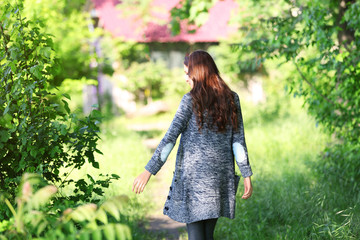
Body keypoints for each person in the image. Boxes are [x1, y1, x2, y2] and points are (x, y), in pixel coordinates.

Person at [132, 50, 253, 240]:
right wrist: (246, 173)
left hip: (194, 180)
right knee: (207, 236)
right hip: (220, 179)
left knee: (196, 236)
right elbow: (238, 141)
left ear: (197, 72)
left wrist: (148, 171)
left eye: (187, 73)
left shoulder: (190, 100)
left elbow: (170, 138)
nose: (185, 78)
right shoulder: (231, 98)